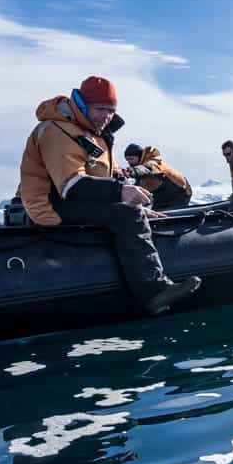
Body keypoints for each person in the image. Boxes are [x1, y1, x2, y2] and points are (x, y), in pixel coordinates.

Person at [18, 76, 201, 315]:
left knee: (132, 212)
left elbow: (101, 176)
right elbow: (72, 186)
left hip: (72, 201)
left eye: (111, 110)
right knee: (127, 216)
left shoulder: (91, 133)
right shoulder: (57, 130)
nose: (106, 116)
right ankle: (153, 292)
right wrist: (121, 193)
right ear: (82, 105)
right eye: (100, 109)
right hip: (51, 204)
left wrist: (135, 205)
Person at [123, 144, 193, 210]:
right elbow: (138, 188)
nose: (129, 162)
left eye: (131, 159)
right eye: (127, 160)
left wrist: (130, 172)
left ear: (139, 157)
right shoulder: (141, 176)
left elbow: (146, 169)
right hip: (162, 197)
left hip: (180, 193)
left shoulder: (152, 163)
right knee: (154, 214)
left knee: (166, 214)